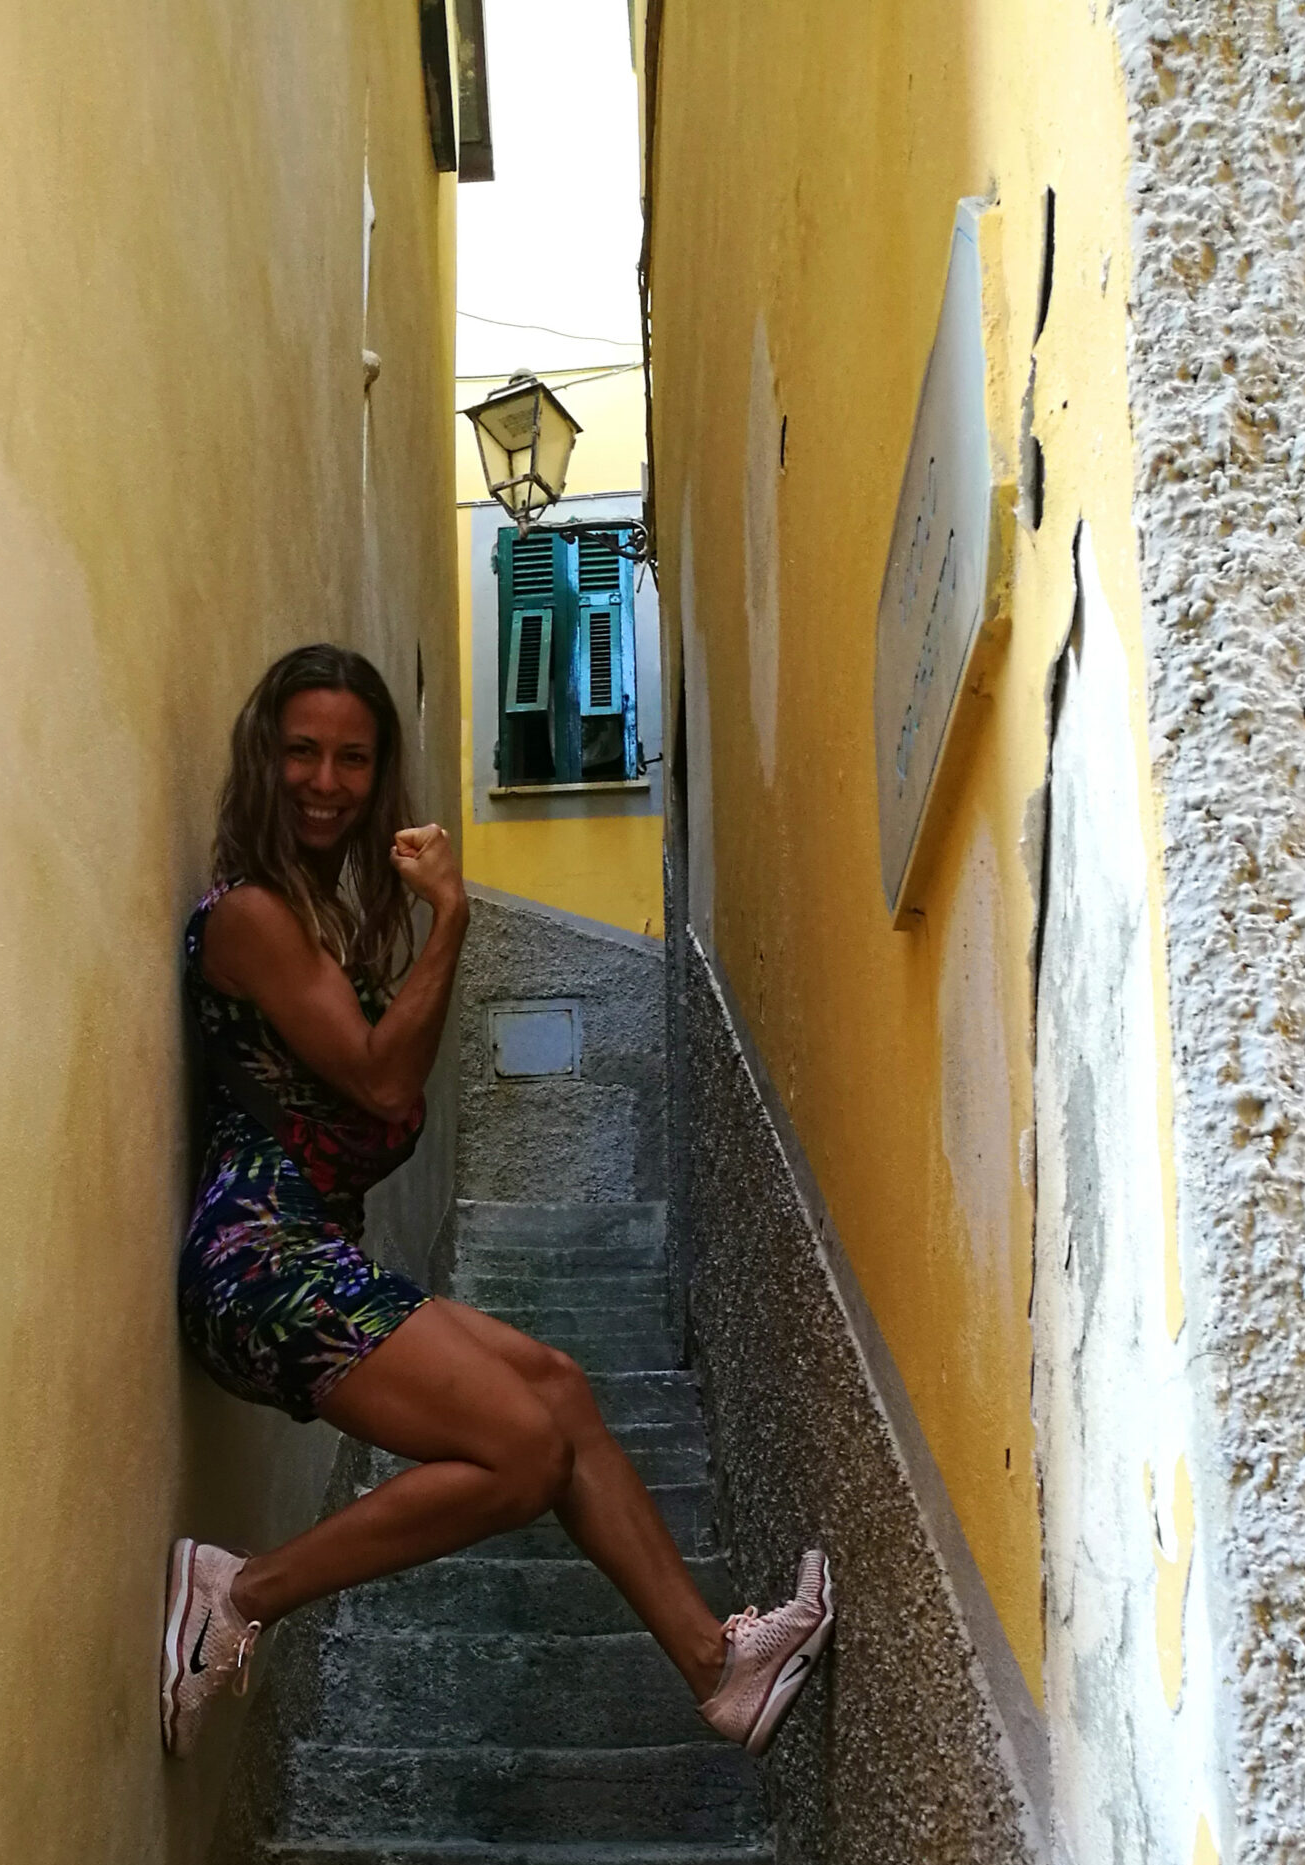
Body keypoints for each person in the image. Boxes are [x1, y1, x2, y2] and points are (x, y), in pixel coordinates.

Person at [161, 643, 831, 1760]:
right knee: (520, 1452)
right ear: (261, 759)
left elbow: (376, 1082)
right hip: (258, 1264)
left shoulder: (312, 918)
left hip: (311, 1254)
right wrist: (453, 918)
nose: (326, 781)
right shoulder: (252, 917)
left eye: (353, 760)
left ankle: (718, 1667)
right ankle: (238, 1594)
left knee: (557, 1389)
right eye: (301, 752)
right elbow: (383, 1079)